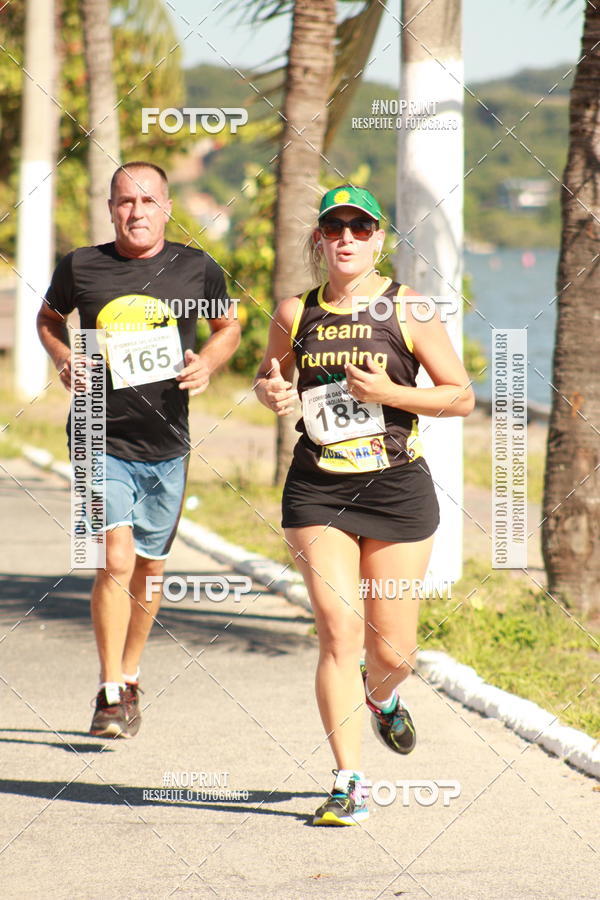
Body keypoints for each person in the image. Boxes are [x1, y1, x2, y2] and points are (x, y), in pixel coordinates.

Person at [254, 185, 474, 825]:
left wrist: (392, 394)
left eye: (360, 227)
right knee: (338, 631)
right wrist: (272, 393)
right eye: (334, 227)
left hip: (397, 491)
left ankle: (382, 700)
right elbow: (272, 377)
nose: (346, 238)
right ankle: (346, 782)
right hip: (318, 488)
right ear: (320, 240)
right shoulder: (296, 310)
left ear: (379, 238)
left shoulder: (407, 309)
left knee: (393, 653)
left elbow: (460, 396)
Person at [37, 161, 240, 738]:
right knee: (115, 559)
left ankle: (129, 677)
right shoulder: (82, 266)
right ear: (110, 208)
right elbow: (49, 319)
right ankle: (107, 692)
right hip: (98, 433)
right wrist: (62, 356)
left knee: (150, 566)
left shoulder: (196, 268)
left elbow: (228, 327)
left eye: (148, 201)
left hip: (166, 444)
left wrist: (209, 362)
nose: (137, 212)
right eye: (126, 201)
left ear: (167, 208)